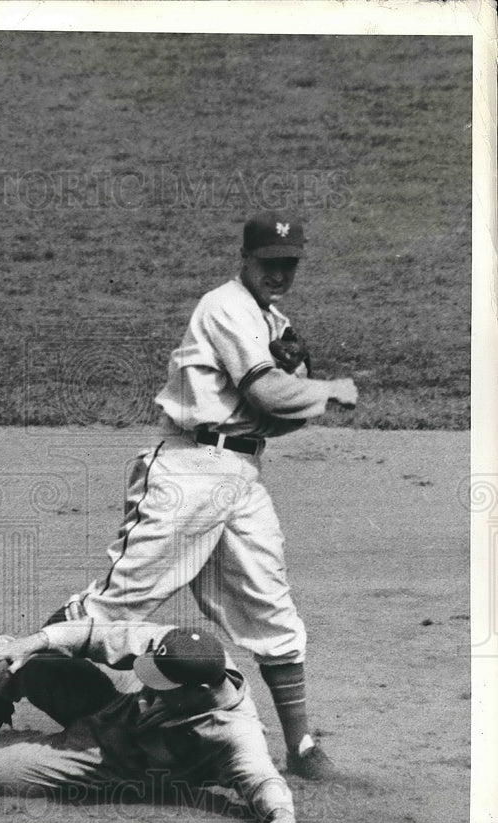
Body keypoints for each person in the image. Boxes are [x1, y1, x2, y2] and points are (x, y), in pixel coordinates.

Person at [46, 210, 358, 780]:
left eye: (289, 264)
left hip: (240, 478)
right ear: (246, 259)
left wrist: (306, 396)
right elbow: (265, 389)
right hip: (188, 470)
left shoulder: (273, 321)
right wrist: (325, 388)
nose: (280, 274)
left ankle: (304, 749)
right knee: (115, 607)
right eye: (270, 263)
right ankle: (5, 676)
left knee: (272, 609)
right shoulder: (226, 306)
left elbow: (274, 417)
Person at [0, 621, 312, 823]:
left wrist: (282, 816)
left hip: (113, 765)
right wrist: (33, 641)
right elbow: (98, 633)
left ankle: (8, 743)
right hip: (108, 709)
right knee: (17, 658)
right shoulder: (191, 655)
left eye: (161, 684)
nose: (150, 683)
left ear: (195, 691)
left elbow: (261, 777)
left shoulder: (233, 731)